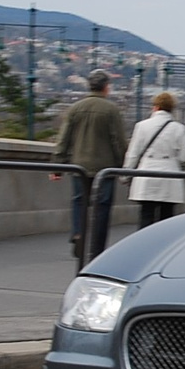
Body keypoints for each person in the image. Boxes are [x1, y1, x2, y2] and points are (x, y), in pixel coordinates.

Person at [52, 69, 127, 259]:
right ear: (106, 87)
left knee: (79, 201)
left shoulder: (76, 108)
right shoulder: (111, 110)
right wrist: (122, 167)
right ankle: (97, 247)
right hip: (105, 168)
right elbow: (118, 140)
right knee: (102, 207)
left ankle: (78, 233)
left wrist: (58, 165)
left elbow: (64, 139)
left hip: (79, 165)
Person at [125, 91, 185, 229]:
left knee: (146, 215)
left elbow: (133, 153)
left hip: (147, 172)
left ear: (155, 107)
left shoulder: (142, 126)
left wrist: (126, 173)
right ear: (171, 109)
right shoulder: (179, 128)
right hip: (170, 174)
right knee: (166, 219)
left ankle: (144, 246)